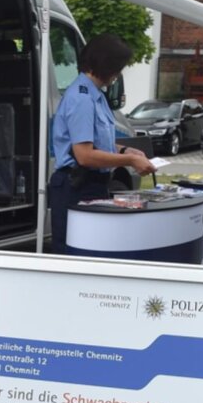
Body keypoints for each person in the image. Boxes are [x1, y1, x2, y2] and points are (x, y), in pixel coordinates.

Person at [48, 33, 155, 254]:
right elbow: (85, 155)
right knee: (76, 254)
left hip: (90, 183)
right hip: (76, 184)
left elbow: (97, 143)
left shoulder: (95, 95)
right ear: (109, 66)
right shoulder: (82, 98)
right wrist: (130, 160)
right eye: (119, 67)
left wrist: (125, 149)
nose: (119, 74)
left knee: (93, 251)